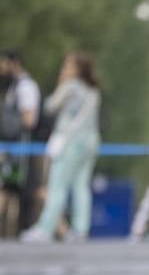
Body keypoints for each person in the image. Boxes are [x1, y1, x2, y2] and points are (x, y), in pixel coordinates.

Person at [20, 53, 100, 243]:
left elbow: (50, 106)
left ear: (77, 70)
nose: (64, 69)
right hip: (91, 142)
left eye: (68, 66)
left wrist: (61, 84)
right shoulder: (93, 92)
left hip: (70, 142)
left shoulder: (70, 87)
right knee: (81, 187)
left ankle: (45, 229)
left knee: (57, 186)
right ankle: (80, 230)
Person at [1, 50, 43, 237]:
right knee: (7, 189)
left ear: (14, 63)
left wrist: (10, 123)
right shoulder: (13, 87)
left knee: (31, 191)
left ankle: (57, 228)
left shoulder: (25, 87)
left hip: (22, 150)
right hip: (13, 149)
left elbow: (29, 119)